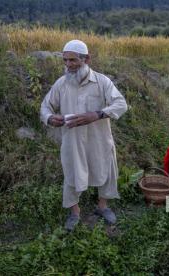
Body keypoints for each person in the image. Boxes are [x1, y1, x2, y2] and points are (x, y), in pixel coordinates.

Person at [40, 39, 128, 231]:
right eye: (65, 60)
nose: (68, 65)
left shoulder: (102, 81)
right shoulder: (62, 84)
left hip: (99, 139)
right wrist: (49, 118)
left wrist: (97, 114)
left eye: (73, 60)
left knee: (105, 170)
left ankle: (103, 207)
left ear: (86, 58)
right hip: (72, 140)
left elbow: (121, 104)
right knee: (72, 173)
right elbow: (45, 106)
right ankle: (75, 212)